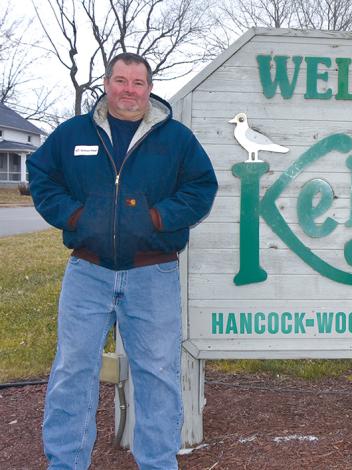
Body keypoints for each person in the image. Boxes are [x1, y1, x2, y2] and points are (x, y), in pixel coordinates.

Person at [27, 52, 218, 469]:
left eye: (137, 83)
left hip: (154, 273)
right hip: (88, 270)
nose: (128, 90)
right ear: (106, 83)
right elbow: (41, 175)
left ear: (149, 88)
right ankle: (66, 462)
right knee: (72, 372)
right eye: (120, 81)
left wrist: (156, 218)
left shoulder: (176, 139)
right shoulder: (74, 132)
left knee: (158, 376)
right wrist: (75, 216)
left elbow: (201, 188)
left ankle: (158, 463)